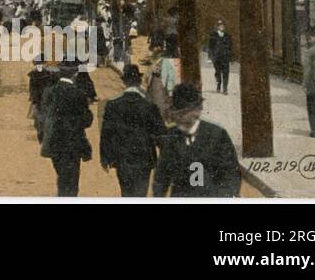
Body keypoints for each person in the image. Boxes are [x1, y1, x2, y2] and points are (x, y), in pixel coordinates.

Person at [153, 82, 241, 197]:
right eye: (176, 113)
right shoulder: (170, 137)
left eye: (184, 113)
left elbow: (231, 173)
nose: (178, 118)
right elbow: (161, 176)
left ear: (197, 111)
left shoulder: (217, 135)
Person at [99, 64, 166, 197]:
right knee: (141, 194)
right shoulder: (149, 106)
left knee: (126, 193)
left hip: (122, 159)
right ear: (139, 81)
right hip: (144, 160)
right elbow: (161, 135)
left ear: (124, 82)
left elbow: (106, 134)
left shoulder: (112, 105)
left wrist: (105, 158)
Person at [39, 59, 94, 196]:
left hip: (54, 143)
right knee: (72, 183)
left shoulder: (49, 92)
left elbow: (43, 117)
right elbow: (87, 121)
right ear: (74, 74)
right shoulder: (79, 94)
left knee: (62, 178)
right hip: (73, 144)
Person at [27, 54, 58, 133]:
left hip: (38, 100)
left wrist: (33, 99)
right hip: (47, 100)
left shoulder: (34, 74)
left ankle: (42, 133)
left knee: (39, 120)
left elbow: (32, 89)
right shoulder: (50, 74)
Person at [206, 20, 233, 94]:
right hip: (217, 57)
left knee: (226, 73)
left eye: (223, 25)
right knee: (218, 72)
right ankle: (218, 85)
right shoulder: (213, 35)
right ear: (217, 27)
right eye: (220, 25)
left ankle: (225, 89)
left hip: (225, 57)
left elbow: (230, 47)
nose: (222, 27)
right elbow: (210, 47)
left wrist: (231, 56)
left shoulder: (227, 36)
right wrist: (209, 57)